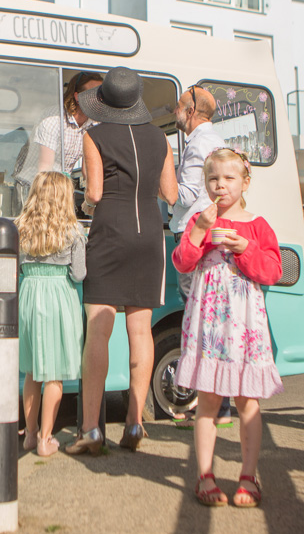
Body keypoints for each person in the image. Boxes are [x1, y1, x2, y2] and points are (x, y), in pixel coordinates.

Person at [66, 67, 178, 455]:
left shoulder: (93, 136)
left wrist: (81, 201)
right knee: (141, 330)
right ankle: (135, 422)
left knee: (98, 330)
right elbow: (171, 193)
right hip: (149, 231)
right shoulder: (160, 137)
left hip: (110, 229)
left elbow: (94, 192)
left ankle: (91, 431)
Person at [171, 148, 284, 507]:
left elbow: (272, 271)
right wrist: (201, 228)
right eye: (213, 179)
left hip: (244, 321)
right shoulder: (199, 221)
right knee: (207, 399)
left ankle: (248, 477)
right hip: (209, 317)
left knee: (247, 400)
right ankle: (205, 475)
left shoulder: (257, 225)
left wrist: (246, 248)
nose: (220, 185)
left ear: (245, 182)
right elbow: (183, 263)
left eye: (228, 178)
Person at [167, 85, 232, 429]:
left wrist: (163, 187)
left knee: (198, 319)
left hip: (194, 236)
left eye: (179, 106)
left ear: (192, 110)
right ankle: (216, 404)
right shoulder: (213, 140)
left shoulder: (197, 146)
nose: (175, 112)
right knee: (205, 318)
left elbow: (186, 195)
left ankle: (215, 406)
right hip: (207, 237)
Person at [17, 172, 87, 458]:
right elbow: (79, 274)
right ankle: (47, 439)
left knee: (32, 372)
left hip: (29, 295)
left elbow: (16, 270)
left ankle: (30, 436)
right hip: (58, 296)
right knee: (54, 375)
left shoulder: (19, 228)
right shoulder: (73, 232)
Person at [14, 71, 103, 207]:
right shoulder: (53, 119)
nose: (98, 99)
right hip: (33, 185)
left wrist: (93, 199)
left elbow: (88, 170)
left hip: (60, 187)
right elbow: (44, 169)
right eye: (93, 94)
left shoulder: (95, 124)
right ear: (77, 97)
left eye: (101, 94)